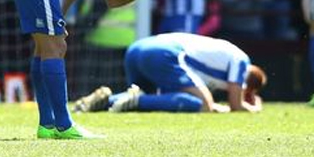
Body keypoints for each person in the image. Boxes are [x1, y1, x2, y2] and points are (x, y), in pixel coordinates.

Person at [4, 0, 170, 139]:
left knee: (45, 47)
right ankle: (64, 125)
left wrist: (58, 15)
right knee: (55, 47)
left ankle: (47, 125)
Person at [73, 33, 266, 113]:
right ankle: (137, 101)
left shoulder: (223, 54)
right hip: (164, 53)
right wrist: (253, 108)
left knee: (148, 96)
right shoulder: (242, 60)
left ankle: (103, 100)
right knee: (202, 105)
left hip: (138, 49)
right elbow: (235, 104)